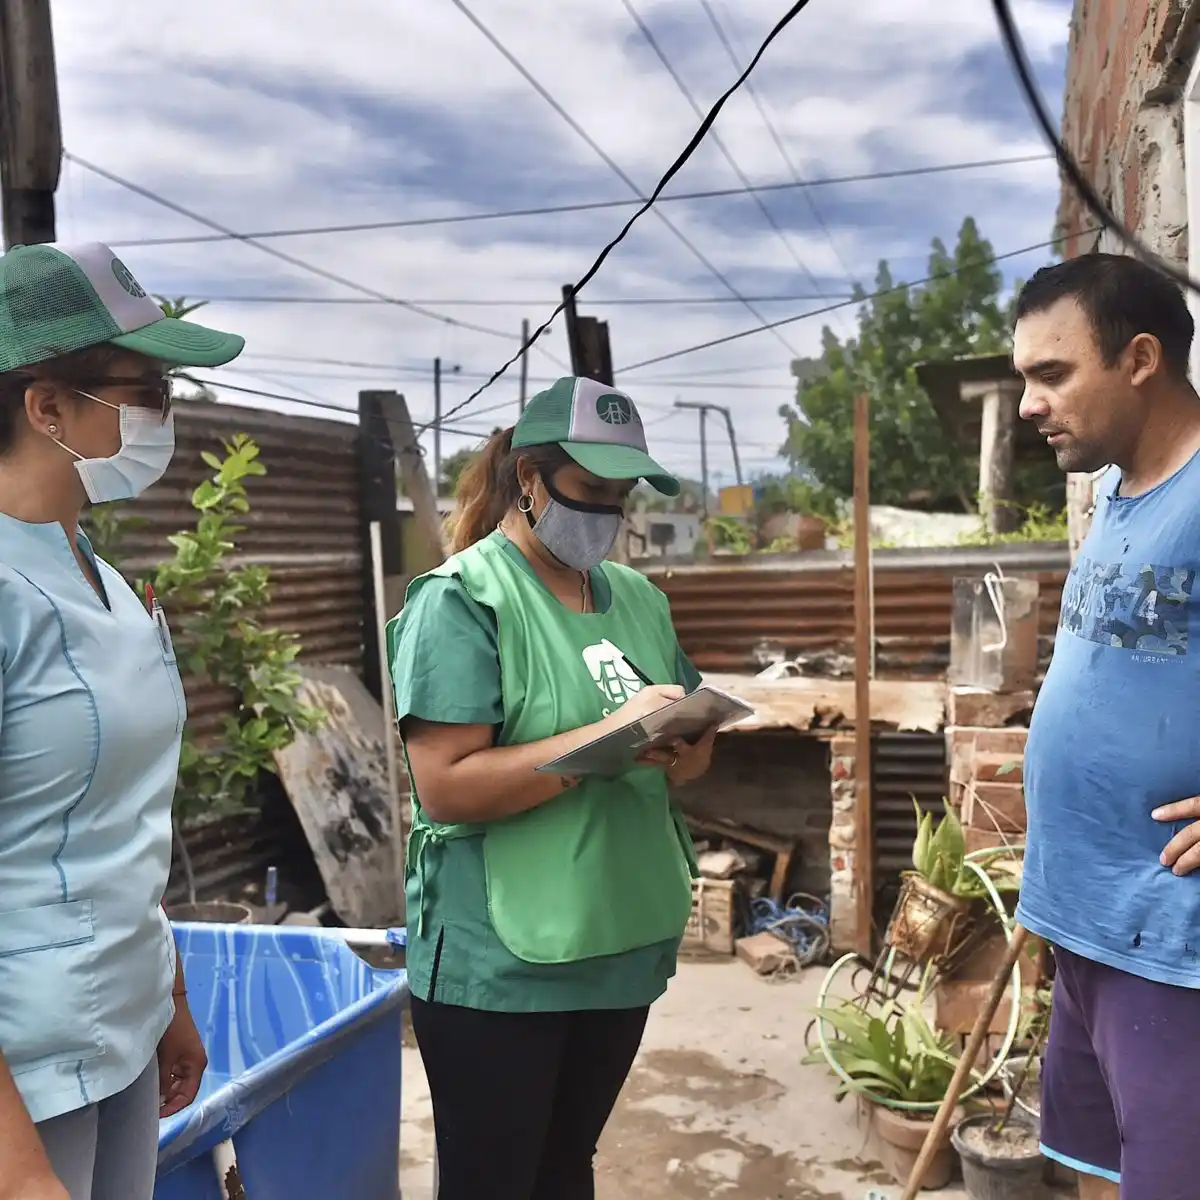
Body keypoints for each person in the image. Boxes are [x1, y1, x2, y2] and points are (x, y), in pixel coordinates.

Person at [387, 375, 716, 1199]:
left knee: (566, 1170)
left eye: (621, 494)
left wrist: (684, 747)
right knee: (495, 1179)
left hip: (620, 941)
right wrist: (606, 743)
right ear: (529, 478)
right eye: (589, 490)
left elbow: (689, 753)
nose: (607, 512)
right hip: (504, 965)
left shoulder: (638, 599)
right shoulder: (463, 599)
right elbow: (447, 789)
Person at [0, 241, 245, 1200]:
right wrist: (19, 1169)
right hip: (27, 1078)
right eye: (141, 389)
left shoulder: (100, 580)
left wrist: (168, 997)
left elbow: (121, 827)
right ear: (46, 407)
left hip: (122, 1037)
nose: (162, 416)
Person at [1013, 252, 1200, 1200]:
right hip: (1084, 917)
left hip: (1174, 941)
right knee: (1095, 1172)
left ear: (1139, 358)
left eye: (1052, 375)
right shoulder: (1123, 494)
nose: (1028, 406)